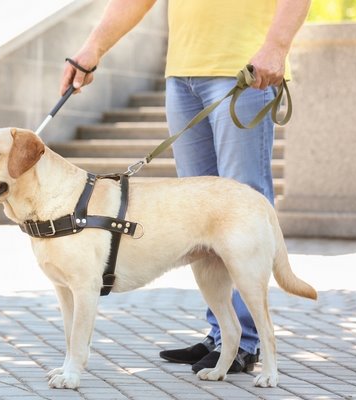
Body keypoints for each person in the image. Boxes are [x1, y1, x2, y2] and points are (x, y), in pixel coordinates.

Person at [60, 0, 311, 374]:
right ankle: (222, 335)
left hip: (246, 71)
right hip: (182, 76)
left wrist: (277, 46)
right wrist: (92, 48)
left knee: (241, 206)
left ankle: (247, 342)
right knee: (199, 218)